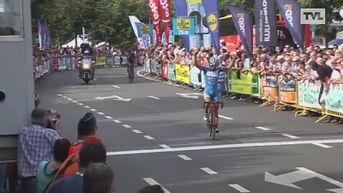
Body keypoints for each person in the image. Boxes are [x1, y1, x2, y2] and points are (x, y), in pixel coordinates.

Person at [18, 108, 61, 193]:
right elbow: (62, 147)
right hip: (44, 179)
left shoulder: (22, 132)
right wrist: (54, 126)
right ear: (46, 120)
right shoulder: (50, 133)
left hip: (26, 180)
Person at [194, 51, 228, 133]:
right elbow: (196, 64)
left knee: (216, 110)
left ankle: (216, 127)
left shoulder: (218, 70)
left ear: (216, 65)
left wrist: (233, 60)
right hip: (208, 91)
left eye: (214, 65)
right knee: (208, 102)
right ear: (209, 64)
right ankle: (206, 113)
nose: (212, 67)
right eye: (211, 65)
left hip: (215, 92)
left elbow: (228, 68)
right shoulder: (206, 69)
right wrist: (195, 55)